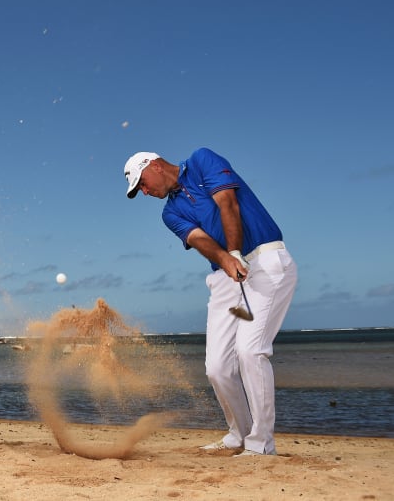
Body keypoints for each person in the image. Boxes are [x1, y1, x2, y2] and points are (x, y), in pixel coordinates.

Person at [123, 148, 297, 456]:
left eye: (143, 183)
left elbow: (227, 202)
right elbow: (200, 239)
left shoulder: (202, 161)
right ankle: (240, 433)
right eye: (140, 190)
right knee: (217, 368)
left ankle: (261, 445)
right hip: (225, 276)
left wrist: (233, 252)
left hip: (266, 260)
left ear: (154, 165)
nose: (145, 192)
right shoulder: (169, 213)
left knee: (250, 350)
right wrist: (226, 260)